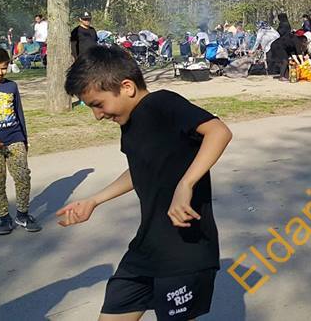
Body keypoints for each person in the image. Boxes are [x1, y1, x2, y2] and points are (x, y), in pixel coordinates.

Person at [58, 45, 233, 319]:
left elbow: (218, 132)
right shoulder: (128, 124)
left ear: (126, 87)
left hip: (184, 252)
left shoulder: (162, 103)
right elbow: (140, 170)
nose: (98, 115)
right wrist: (94, 200)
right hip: (146, 249)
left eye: (98, 104)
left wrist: (185, 184)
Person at [0, 48, 40, 235]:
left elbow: (19, 113)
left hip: (14, 138)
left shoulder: (11, 86)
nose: (0, 72)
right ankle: (4, 219)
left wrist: (24, 139)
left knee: (22, 176)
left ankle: (22, 214)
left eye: (3, 68)